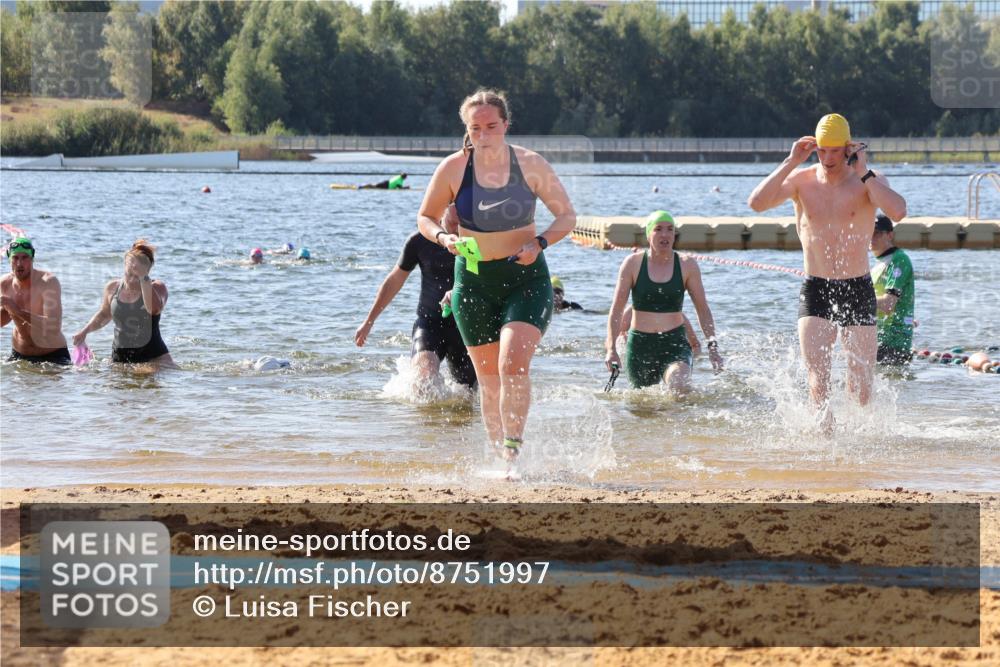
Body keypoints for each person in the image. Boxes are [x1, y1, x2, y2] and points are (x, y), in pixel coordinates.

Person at [416, 89, 576, 463]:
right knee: (488, 379)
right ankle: (501, 461)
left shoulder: (531, 165)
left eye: (491, 126)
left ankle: (513, 449)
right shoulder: (454, 168)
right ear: (466, 130)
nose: (483, 135)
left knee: (511, 365)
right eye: (475, 128)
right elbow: (425, 217)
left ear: (505, 124)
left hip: (525, 278)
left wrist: (539, 243)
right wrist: (444, 237)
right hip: (473, 283)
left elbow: (567, 216)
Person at [748, 113, 907, 429]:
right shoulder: (802, 181)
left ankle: (858, 442)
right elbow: (756, 203)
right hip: (817, 287)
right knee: (817, 380)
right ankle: (825, 444)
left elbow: (899, 211)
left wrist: (864, 172)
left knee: (861, 386)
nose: (829, 158)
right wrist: (791, 161)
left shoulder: (868, 180)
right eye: (822, 150)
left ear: (848, 148)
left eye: (835, 150)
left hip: (857, 287)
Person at [355, 204, 476, 390]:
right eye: (456, 204)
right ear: (443, 206)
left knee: (468, 392)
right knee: (422, 380)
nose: (463, 208)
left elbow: (487, 283)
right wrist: (369, 321)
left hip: (467, 327)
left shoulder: (476, 241)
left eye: (466, 203)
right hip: (430, 324)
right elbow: (394, 281)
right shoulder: (420, 241)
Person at [605, 211, 723, 392]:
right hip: (640, 346)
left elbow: (703, 310)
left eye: (670, 229)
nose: (665, 234)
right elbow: (616, 310)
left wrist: (712, 347)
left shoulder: (687, 265)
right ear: (648, 234)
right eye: (658, 229)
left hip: (674, 343)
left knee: (678, 385)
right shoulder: (632, 264)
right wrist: (611, 349)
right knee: (642, 404)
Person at [73, 240, 176, 369]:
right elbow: (104, 314)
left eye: (137, 276)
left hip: (154, 360)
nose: (132, 280)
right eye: (129, 274)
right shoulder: (113, 287)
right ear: (124, 266)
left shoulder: (158, 287)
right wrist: (84, 331)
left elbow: (153, 309)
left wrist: (143, 278)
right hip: (119, 360)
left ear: (147, 272)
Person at [1, 237, 70, 364]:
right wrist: (5, 308)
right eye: (15, 258)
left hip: (52, 355)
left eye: (24, 258)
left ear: (32, 258)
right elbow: (3, 319)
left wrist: (18, 311)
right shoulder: (4, 283)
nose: (19, 263)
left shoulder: (48, 282)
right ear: (9, 259)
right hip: (19, 355)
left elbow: (53, 326)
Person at [870, 214, 915, 366]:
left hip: (894, 345)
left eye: (877, 233)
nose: (871, 237)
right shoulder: (878, 264)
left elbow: (888, 304)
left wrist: (856, 300)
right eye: (868, 232)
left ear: (890, 235)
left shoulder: (899, 260)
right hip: (876, 341)